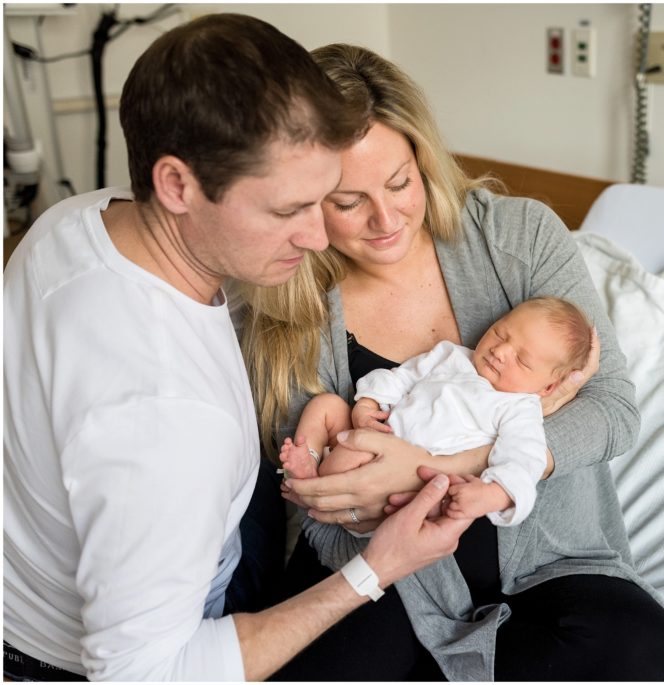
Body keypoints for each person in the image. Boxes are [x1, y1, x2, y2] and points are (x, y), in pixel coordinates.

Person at [2, 14, 474, 682]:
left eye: (323, 200)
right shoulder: (165, 419)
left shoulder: (74, 223)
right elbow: (148, 675)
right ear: (176, 184)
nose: (318, 237)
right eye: (288, 211)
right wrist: (375, 569)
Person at [238, 43, 664, 681]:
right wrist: (334, 449)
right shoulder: (285, 297)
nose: (386, 218)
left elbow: (613, 411)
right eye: (347, 201)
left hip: (549, 564)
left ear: (423, 158)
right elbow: (316, 484)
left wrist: (459, 465)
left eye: (400, 182)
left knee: (639, 647)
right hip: (380, 570)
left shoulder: (518, 238)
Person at [280, 296, 594, 527]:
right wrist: (368, 404)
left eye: (522, 360)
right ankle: (308, 462)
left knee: (353, 456)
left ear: (547, 389)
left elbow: (525, 459)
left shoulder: (519, 410)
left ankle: (315, 481)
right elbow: (402, 377)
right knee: (326, 406)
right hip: (379, 431)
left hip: (404, 490)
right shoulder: (451, 355)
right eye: (501, 333)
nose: (500, 352)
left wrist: (494, 494)